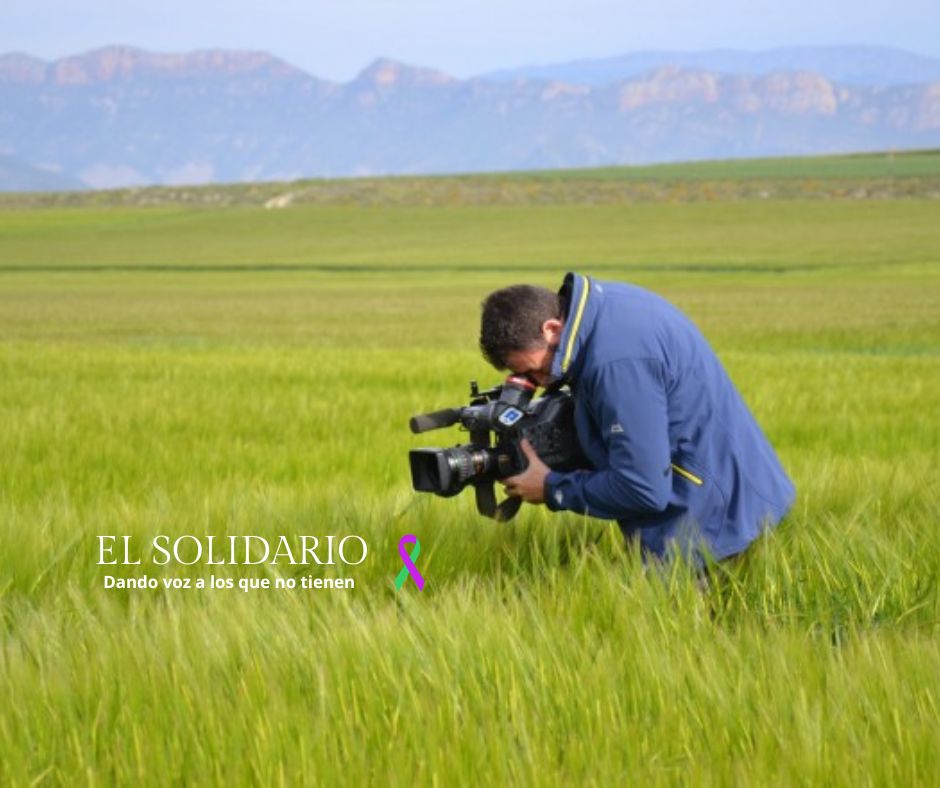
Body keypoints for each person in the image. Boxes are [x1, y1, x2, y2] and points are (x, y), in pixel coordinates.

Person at [479, 272, 795, 564]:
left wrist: (551, 487)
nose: (540, 383)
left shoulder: (617, 365)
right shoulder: (605, 308)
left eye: (536, 370)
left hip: (715, 526)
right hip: (731, 496)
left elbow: (642, 488)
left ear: (552, 329)